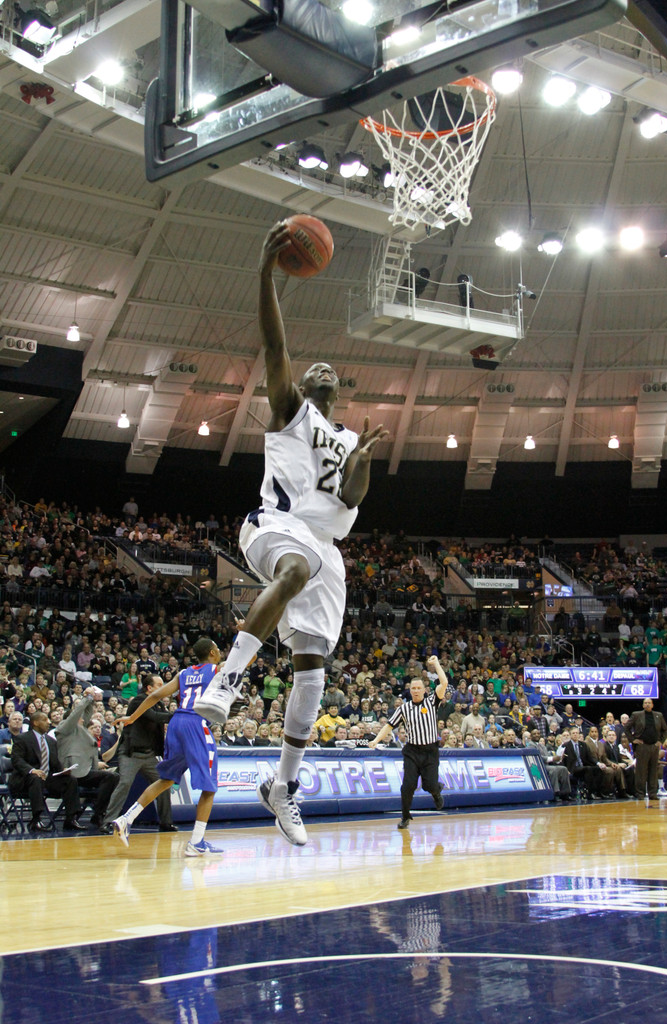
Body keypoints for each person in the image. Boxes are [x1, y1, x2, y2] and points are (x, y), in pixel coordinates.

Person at [192, 222, 388, 846]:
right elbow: (275, 343)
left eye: (333, 369)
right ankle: (227, 681)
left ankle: (283, 787)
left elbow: (353, 500)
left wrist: (363, 466)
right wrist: (265, 275)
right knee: (297, 566)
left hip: (328, 552)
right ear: (303, 388)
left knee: (314, 672)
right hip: (277, 527)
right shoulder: (290, 409)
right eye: (314, 368)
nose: (323, 367)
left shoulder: (352, 438)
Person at [112, 638, 224, 857]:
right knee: (209, 787)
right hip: (196, 723)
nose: (220, 652)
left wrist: (132, 717)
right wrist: (244, 633)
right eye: (218, 650)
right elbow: (250, 658)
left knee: (166, 780)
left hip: (176, 724)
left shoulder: (183, 674)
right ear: (212, 652)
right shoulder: (217, 669)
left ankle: (126, 819)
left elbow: (154, 695)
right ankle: (197, 842)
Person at [369, 655, 447, 829]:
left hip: (430, 751)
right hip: (412, 751)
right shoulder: (403, 708)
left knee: (429, 785)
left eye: (419, 687)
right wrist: (375, 740)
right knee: (408, 786)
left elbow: (444, 683)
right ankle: (405, 817)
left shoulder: (432, 701)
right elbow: (389, 726)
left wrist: (436, 664)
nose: (416, 690)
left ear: (424, 690)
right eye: (413, 688)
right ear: (410, 691)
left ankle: (436, 791)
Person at [100, 674, 176, 835]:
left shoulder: (159, 704)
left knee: (163, 784)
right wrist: (178, 714)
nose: (163, 687)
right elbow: (154, 717)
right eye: (159, 684)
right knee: (124, 783)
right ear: (149, 688)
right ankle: (108, 822)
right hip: (131, 753)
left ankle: (166, 822)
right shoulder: (139, 700)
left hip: (149, 755)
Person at [9, 710, 84, 831]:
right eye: (44, 720)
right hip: (25, 779)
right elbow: (17, 760)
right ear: (35, 723)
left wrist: (63, 770)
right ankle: (36, 819)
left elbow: (55, 763)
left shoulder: (51, 741)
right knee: (36, 778)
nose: (48, 722)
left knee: (70, 780)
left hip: (47, 778)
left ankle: (71, 818)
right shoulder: (22, 739)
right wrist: (32, 770)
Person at [55, 687, 119, 828]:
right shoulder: (64, 729)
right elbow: (75, 714)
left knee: (112, 777)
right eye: (79, 718)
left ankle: (99, 814)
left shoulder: (81, 730)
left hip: (84, 770)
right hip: (71, 771)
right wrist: (86, 697)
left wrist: (91, 700)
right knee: (109, 777)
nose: (83, 719)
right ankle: (83, 816)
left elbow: (87, 713)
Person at [624, 697, 667, 800]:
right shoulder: (636, 715)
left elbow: (664, 730)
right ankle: (640, 793)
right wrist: (633, 739)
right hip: (642, 746)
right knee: (641, 771)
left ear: (652, 705)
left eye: (649, 703)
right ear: (643, 705)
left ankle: (653, 793)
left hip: (654, 746)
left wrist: (660, 741)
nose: (647, 704)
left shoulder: (659, 715)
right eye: (645, 703)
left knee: (653, 770)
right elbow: (626, 728)